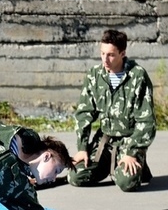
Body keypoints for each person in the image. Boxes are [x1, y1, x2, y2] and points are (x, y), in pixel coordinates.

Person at [67, 29, 156, 192]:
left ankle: (137, 165)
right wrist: (82, 148)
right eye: (102, 54)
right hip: (105, 141)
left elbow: (146, 121)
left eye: (111, 55)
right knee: (75, 177)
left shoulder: (137, 76)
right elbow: (84, 114)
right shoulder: (94, 75)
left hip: (129, 141)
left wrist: (132, 151)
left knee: (125, 183)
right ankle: (109, 166)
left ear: (122, 53)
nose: (105, 60)